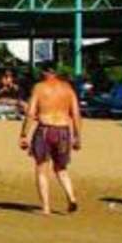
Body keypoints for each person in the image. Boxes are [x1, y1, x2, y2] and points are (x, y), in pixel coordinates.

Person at [20, 61, 81, 215]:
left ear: (44, 73)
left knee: (41, 168)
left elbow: (31, 112)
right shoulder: (68, 88)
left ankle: (46, 207)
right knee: (61, 168)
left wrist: (24, 134)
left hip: (45, 129)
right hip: (63, 131)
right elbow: (76, 114)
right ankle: (71, 197)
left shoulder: (39, 88)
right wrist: (77, 136)